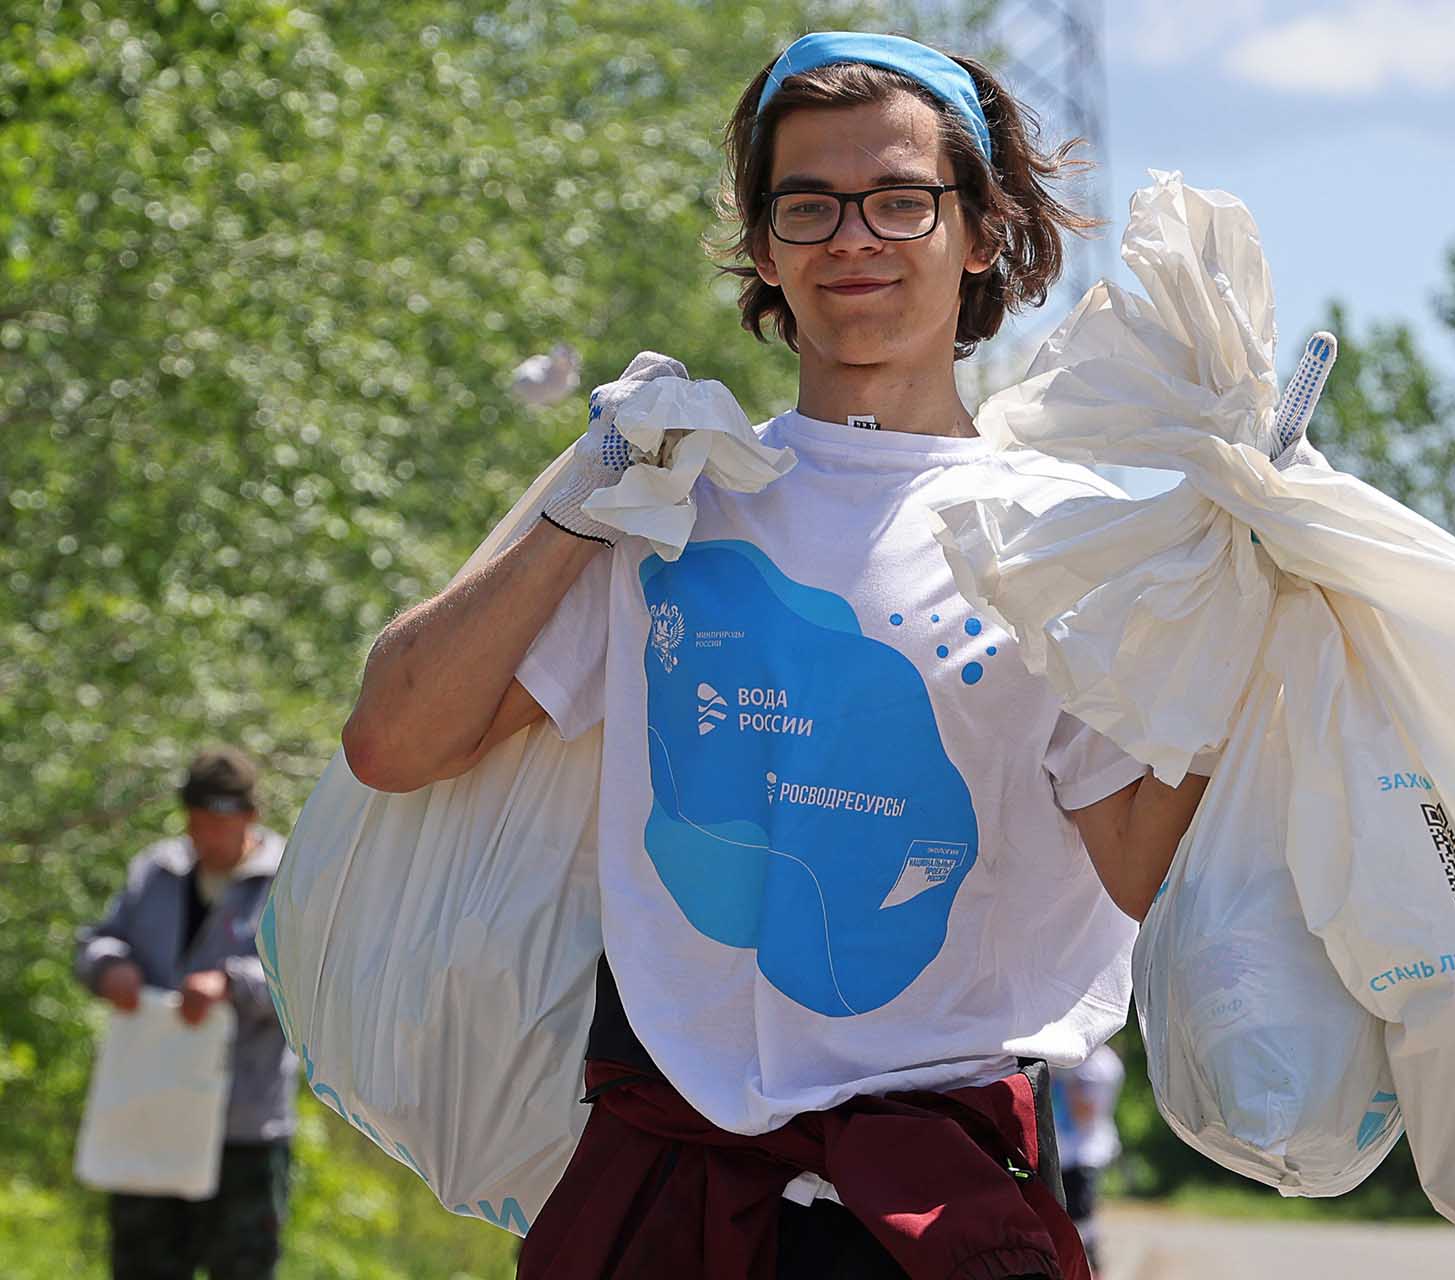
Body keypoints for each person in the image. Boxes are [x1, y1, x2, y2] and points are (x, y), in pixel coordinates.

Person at [342, 30, 1219, 1279]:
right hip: (661, 1180)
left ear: (981, 231)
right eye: (806, 204)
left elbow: (1143, 872)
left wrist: (1231, 636)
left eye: (901, 200)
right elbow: (394, 741)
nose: (851, 237)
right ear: (763, 245)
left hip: (932, 1197)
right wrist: (574, 502)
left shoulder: (1062, 538)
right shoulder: (673, 497)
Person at [73, 746, 299, 1280]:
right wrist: (111, 968)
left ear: (250, 815)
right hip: (149, 1113)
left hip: (243, 1127)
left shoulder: (291, 881)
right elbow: (96, 942)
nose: (207, 836)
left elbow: (310, 987)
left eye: (220, 822)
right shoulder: (156, 870)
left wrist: (231, 984)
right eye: (197, 821)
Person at [1050, 1043, 1125, 1277]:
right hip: (1059, 1153)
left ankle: (1092, 1271)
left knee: (1081, 1223)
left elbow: (1084, 1113)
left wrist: (1061, 1078)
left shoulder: (1102, 1064)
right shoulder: (1062, 1055)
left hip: (1084, 1154)